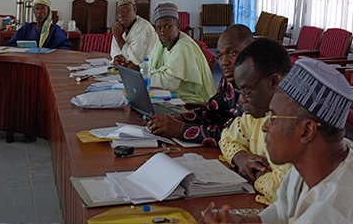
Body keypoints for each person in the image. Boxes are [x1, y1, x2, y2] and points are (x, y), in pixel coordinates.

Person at [201, 58, 353, 223]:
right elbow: (283, 211)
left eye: (273, 117)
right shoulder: (317, 161)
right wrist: (242, 221)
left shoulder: (332, 210)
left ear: (306, 131)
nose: (265, 126)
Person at [148, 24, 254, 146]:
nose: (224, 62)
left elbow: (233, 135)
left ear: (251, 51)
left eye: (232, 53)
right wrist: (176, 119)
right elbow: (212, 111)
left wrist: (181, 129)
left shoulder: (257, 88)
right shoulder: (230, 78)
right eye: (220, 56)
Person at [216, 38, 292, 205]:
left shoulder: (295, 124)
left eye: (247, 91)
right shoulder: (256, 112)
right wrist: (240, 157)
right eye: (239, 90)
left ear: (274, 81)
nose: (241, 99)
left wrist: (258, 177)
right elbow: (226, 137)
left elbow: (286, 191)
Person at [147, 3, 216, 104]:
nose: (162, 32)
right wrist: (138, 69)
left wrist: (143, 75)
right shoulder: (161, 42)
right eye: (159, 28)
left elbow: (169, 82)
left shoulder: (183, 47)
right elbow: (148, 64)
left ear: (178, 27)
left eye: (167, 27)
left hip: (190, 101)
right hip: (170, 94)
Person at [110, 0, 157, 69]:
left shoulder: (143, 27)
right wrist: (116, 59)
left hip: (147, 73)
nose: (122, 14)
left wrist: (118, 38)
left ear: (134, 9)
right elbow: (115, 52)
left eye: (126, 9)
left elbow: (135, 61)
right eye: (119, 11)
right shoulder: (119, 28)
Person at [7, 0, 72, 49]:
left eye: (43, 8)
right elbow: (11, 45)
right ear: (34, 11)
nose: (39, 11)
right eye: (37, 8)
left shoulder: (54, 30)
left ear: (48, 11)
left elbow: (65, 47)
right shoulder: (26, 28)